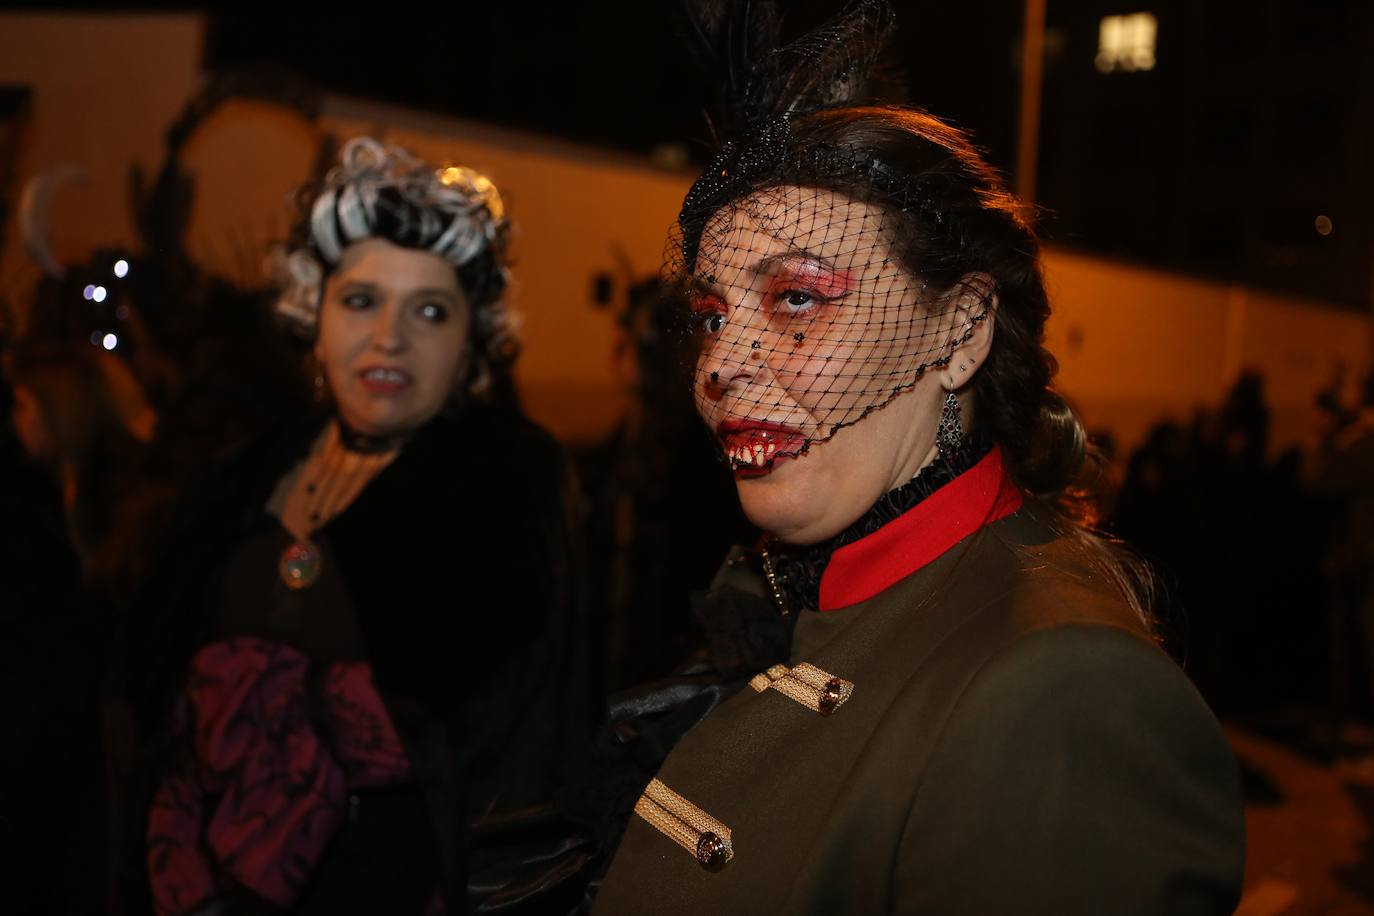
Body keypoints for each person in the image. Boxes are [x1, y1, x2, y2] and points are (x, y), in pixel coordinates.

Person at [591, 3, 1245, 912]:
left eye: (796, 300)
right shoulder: (792, 587)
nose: (720, 364)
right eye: (711, 315)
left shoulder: (1064, 693)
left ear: (963, 331)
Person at [114, 138, 587, 915]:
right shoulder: (244, 472)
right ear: (316, 311)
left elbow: (522, 761)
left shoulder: (506, 486)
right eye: (361, 300)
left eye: (430, 310)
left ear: (472, 343)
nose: (389, 337)